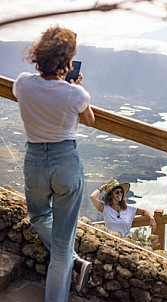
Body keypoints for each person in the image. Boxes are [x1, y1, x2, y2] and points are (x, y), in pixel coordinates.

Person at [12, 25, 95, 302]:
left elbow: (23, 94)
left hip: (34, 161)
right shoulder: (76, 95)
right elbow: (89, 120)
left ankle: (73, 259)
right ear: (68, 61)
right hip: (66, 164)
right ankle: (71, 260)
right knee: (61, 247)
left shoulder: (23, 82)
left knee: (37, 217)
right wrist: (76, 86)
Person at [90, 179, 156, 238]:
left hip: (126, 241)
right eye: (117, 192)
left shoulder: (128, 208)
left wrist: (151, 217)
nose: (120, 194)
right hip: (111, 241)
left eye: (121, 192)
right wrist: (101, 188)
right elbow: (92, 196)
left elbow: (144, 212)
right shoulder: (105, 208)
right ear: (111, 194)